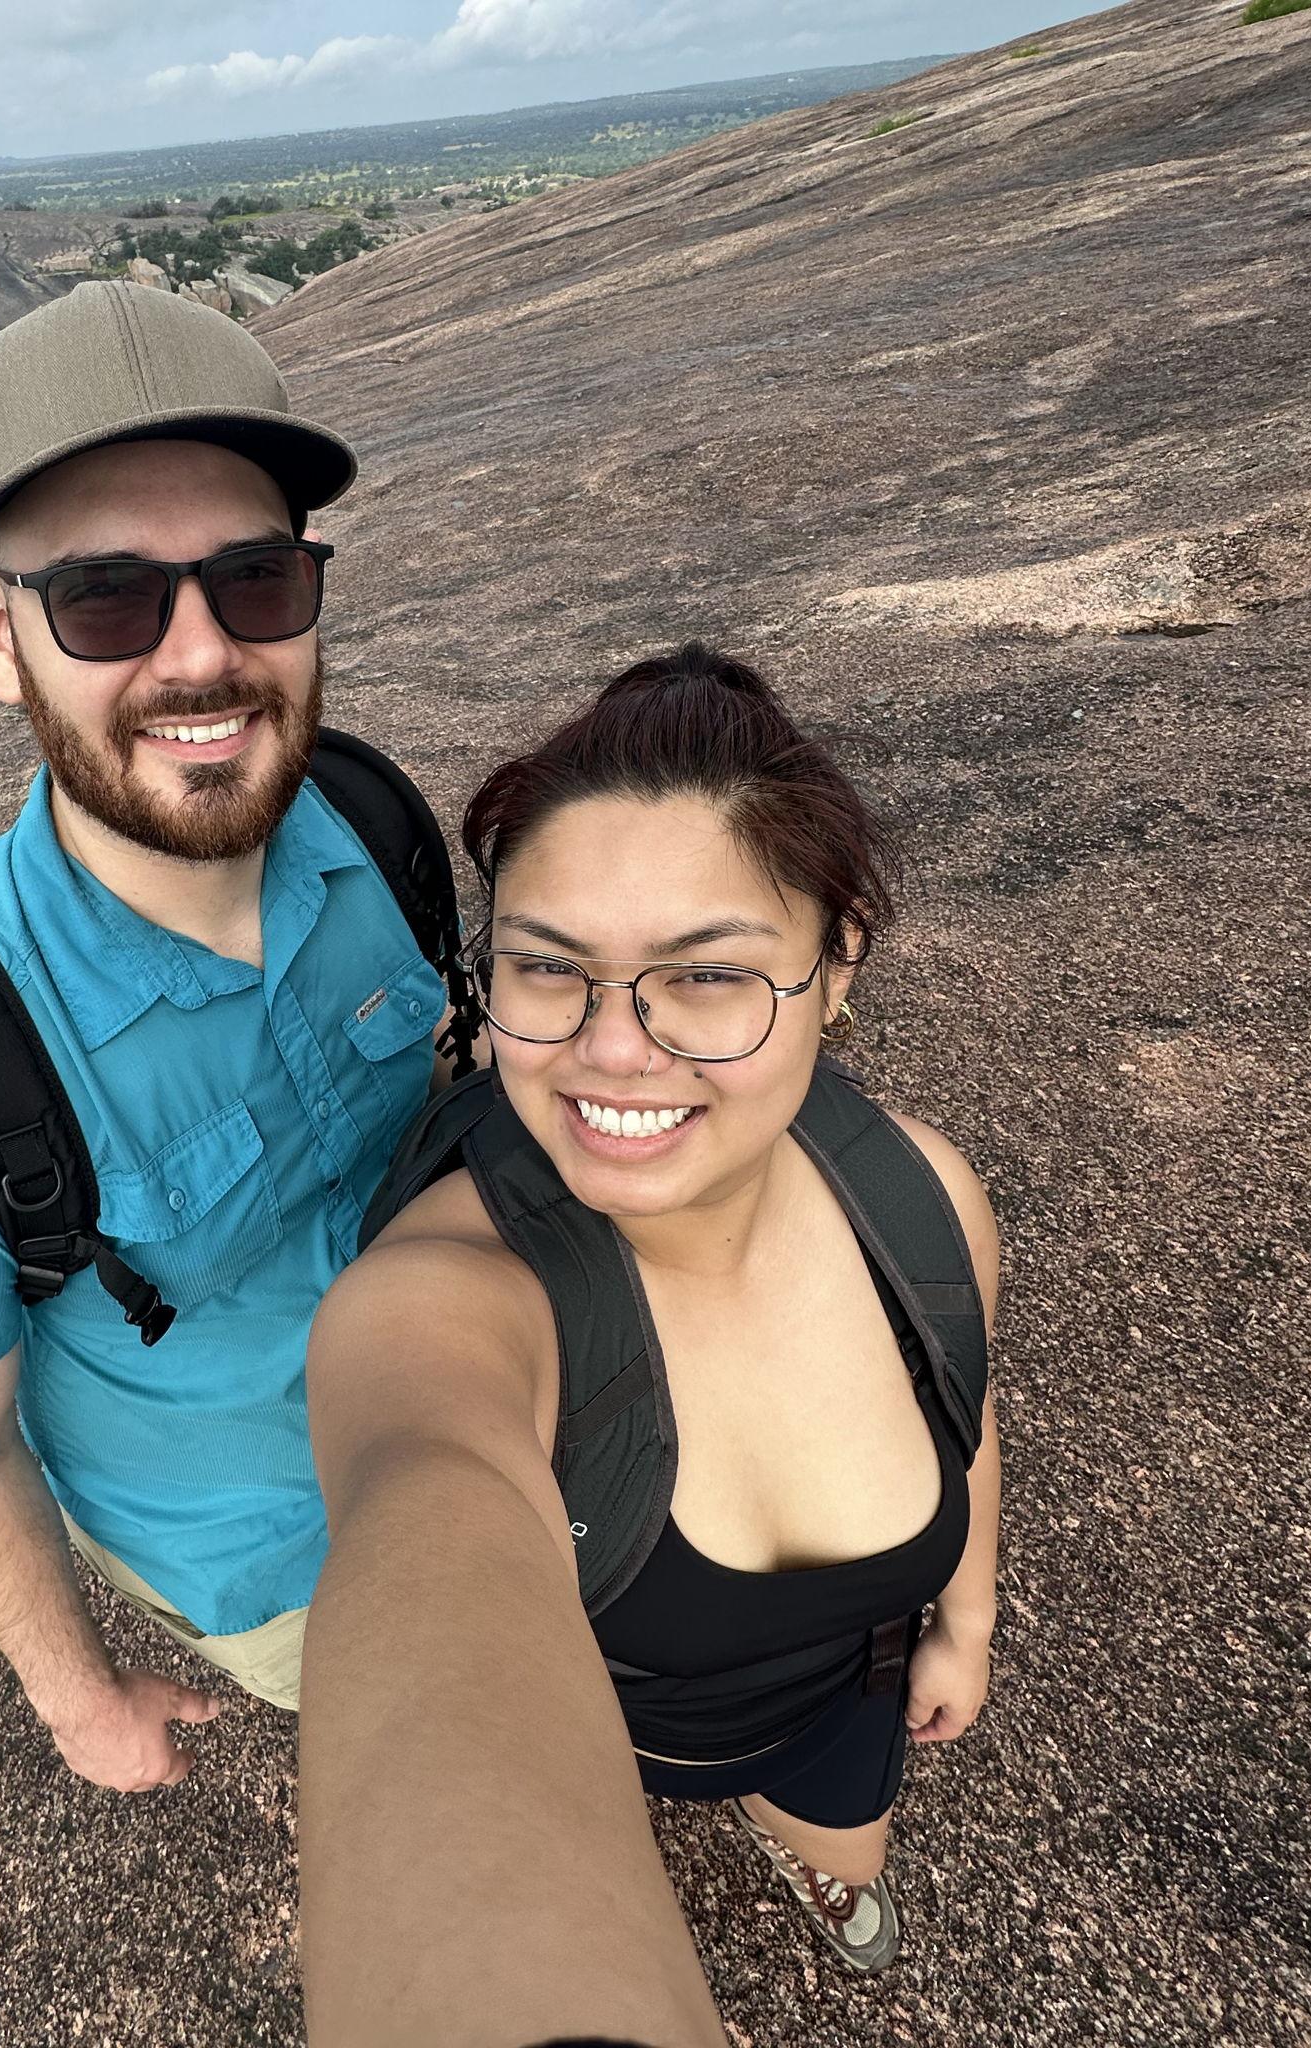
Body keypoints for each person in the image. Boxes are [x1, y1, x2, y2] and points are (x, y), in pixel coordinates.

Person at [0, 282, 460, 1793]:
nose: (201, 659)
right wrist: (78, 1698)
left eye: (254, 579)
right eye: (106, 597)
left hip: (496, 1400)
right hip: (278, 1556)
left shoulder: (371, 825)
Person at [300, 644, 1002, 2038]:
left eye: (708, 976)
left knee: (848, 1853)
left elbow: (964, 1407)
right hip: (627, 1733)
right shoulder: (440, 1301)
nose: (615, 1050)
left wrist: (965, 1624)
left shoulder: (922, 1198)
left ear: (836, 968)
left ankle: (813, 1858)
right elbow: (428, 1532)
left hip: (846, 1710)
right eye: (549, 969)